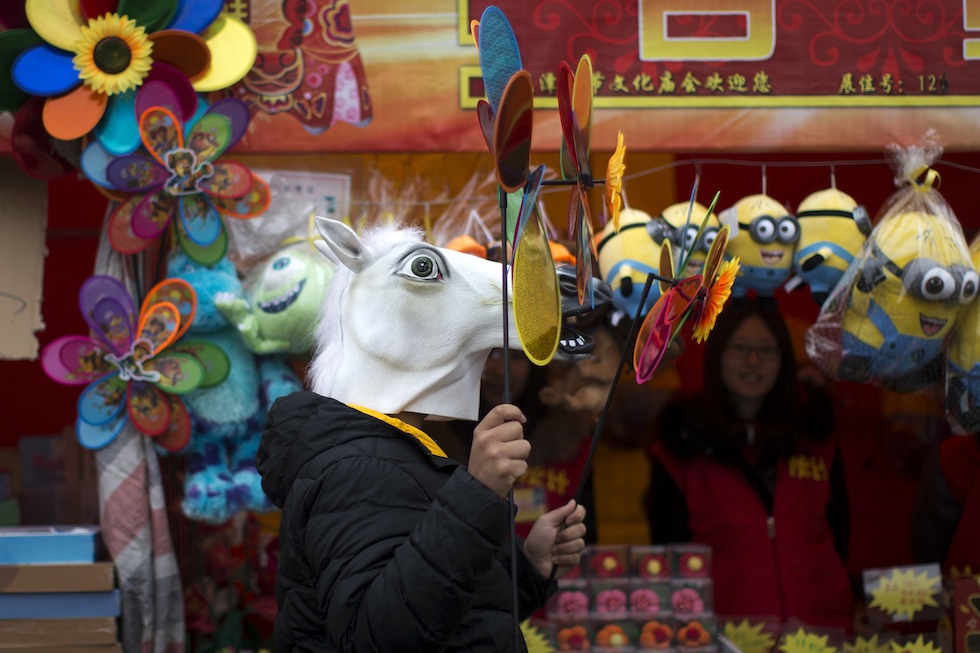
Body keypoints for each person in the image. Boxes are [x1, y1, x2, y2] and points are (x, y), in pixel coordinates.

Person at [644, 299, 854, 631]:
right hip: (725, 639)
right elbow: (668, 558)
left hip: (820, 634)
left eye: (766, 350)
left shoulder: (817, 440)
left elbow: (839, 537)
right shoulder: (680, 451)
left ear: (783, 359)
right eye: (740, 348)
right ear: (718, 356)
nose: (753, 361)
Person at [909, 432, 980, 576]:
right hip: (964, 584)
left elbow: (927, 554)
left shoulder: (952, 456)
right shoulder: (953, 458)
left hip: (964, 585)